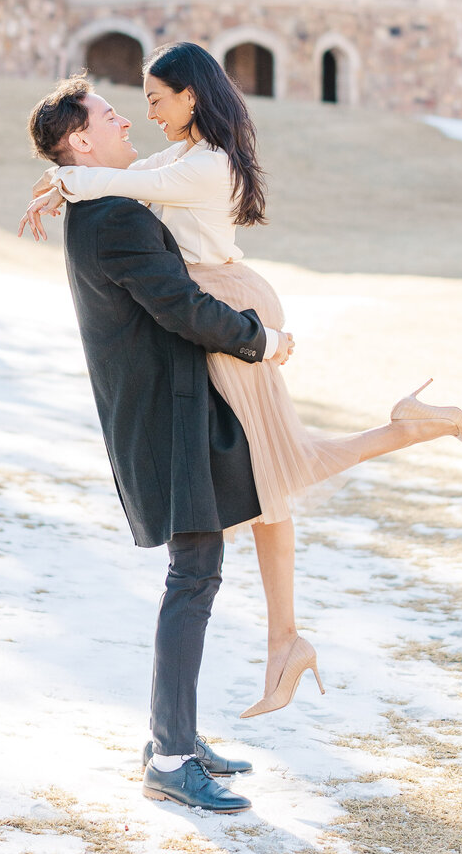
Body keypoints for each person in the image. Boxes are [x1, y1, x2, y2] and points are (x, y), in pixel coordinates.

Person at [23, 43, 462, 721]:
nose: (144, 116)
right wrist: (62, 180)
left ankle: (289, 632)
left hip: (229, 307)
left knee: (277, 466)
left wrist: (65, 181)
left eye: (154, 101)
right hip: (226, 301)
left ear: (190, 97)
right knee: (274, 470)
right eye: (132, 106)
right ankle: (285, 639)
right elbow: (123, 176)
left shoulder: (203, 166)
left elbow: (115, 185)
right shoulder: (183, 156)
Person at [26, 77, 296, 814]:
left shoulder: (103, 201)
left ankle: (174, 737)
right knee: (194, 574)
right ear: (81, 139)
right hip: (163, 418)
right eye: (109, 115)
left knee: (196, 572)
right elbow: (181, 307)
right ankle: (171, 757)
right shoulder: (114, 216)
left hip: (165, 409)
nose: (126, 120)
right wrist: (262, 340)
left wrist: (60, 182)